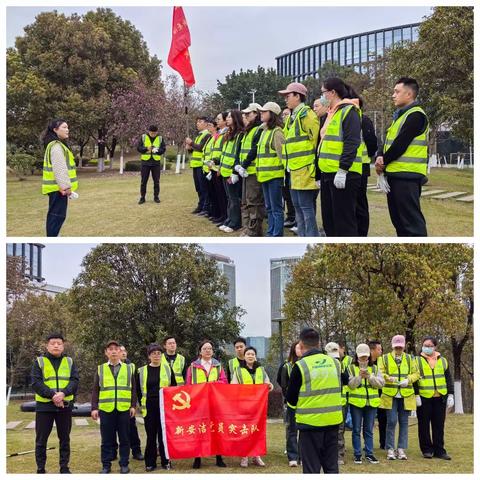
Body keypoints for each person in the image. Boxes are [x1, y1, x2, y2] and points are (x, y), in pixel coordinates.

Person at [375, 77, 429, 236]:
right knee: (399, 223)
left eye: (397, 92)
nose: (393, 95)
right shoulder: (399, 116)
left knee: (411, 224)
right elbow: (387, 142)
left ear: (409, 94)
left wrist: (382, 161)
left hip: (407, 177)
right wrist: (380, 156)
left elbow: (400, 144)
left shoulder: (416, 115)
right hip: (396, 175)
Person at [286, 328, 345, 474]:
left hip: (309, 425)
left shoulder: (300, 366)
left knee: (311, 469)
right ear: (319, 343)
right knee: (332, 467)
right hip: (333, 422)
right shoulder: (335, 363)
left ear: (301, 344)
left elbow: (291, 399)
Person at [317, 78, 363, 236]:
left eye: (323, 92)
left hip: (345, 175)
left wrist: (343, 169)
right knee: (329, 221)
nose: (321, 96)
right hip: (328, 174)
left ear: (332, 93)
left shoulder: (349, 111)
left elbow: (352, 142)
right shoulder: (331, 113)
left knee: (344, 222)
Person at [31, 333, 79, 474]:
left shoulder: (70, 361)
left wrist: (63, 394)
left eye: (59, 343)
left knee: (64, 439)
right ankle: (41, 469)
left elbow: (75, 381)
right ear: (47, 345)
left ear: (63, 346)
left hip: (65, 406)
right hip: (44, 407)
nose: (56, 345)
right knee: (41, 440)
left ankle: (64, 468)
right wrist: (53, 395)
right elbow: (36, 383)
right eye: (53, 343)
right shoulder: (39, 362)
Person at [279, 83, 320, 237]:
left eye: (288, 96)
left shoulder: (306, 114)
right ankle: (303, 236)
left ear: (297, 96)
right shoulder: (292, 116)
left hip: (305, 169)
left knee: (306, 209)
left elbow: (315, 141)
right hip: (294, 170)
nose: (285, 99)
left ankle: (311, 236)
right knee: (297, 208)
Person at [91, 340, 137, 474]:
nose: (113, 351)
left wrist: (133, 405)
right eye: (110, 349)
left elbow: (133, 389)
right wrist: (94, 407)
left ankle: (124, 464)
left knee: (124, 438)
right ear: (106, 353)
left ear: (120, 352)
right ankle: (106, 465)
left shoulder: (129, 368)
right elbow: (95, 390)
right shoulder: (101, 369)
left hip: (124, 409)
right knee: (106, 440)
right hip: (106, 409)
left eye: (116, 349)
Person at [186, 340, 228, 469]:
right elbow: (188, 385)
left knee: (216, 429)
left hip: (215, 403)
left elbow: (224, 382)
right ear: (200, 351)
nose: (208, 351)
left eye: (210, 348)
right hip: (199, 403)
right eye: (205, 349)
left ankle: (219, 457)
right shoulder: (192, 367)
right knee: (199, 429)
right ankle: (197, 457)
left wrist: (213, 385)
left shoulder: (218, 366)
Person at [377, 335, 420, 461]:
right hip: (390, 395)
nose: (398, 349)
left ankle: (401, 448)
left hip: (406, 394)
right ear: (392, 346)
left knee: (404, 422)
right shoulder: (384, 358)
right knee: (391, 421)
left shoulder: (410, 358)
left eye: (400, 347)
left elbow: (416, 373)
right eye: (396, 347)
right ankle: (390, 448)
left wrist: (408, 380)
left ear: (404, 346)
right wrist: (387, 377)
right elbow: (380, 372)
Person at [231, 346, 273, 468]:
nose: (250, 356)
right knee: (245, 431)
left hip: (259, 408)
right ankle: (244, 456)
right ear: (244, 357)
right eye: (248, 354)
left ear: (255, 356)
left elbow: (268, 384)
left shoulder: (261, 370)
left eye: (252, 354)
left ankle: (256, 456)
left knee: (257, 431)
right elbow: (233, 388)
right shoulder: (238, 371)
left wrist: (269, 386)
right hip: (244, 407)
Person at [414, 336, 454, 460]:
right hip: (424, 397)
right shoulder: (417, 360)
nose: (427, 347)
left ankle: (439, 451)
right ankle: (427, 450)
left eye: (430, 345)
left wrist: (451, 394)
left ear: (435, 347)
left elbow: (448, 378)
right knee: (424, 425)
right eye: (425, 345)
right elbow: (414, 380)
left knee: (438, 425)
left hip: (440, 397)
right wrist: (416, 395)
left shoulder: (443, 360)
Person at [136, 344, 172, 471]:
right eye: (153, 353)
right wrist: (142, 404)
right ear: (149, 356)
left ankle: (166, 461)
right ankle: (150, 462)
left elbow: (172, 388)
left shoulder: (167, 370)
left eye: (159, 353)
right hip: (149, 407)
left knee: (164, 436)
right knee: (151, 436)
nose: (156, 355)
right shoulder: (141, 371)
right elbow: (139, 391)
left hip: (164, 407)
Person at [347, 343, 384, 464]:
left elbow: (381, 384)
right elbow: (351, 385)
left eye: (365, 356)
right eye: (361, 356)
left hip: (371, 404)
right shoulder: (351, 368)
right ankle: (357, 454)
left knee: (369, 430)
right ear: (357, 356)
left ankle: (369, 453)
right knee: (356, 429)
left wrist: (370, 377)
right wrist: (359, 377)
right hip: (356, 403)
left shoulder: (375, 368)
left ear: (369, 356)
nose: (363, 359)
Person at [42, 119, 78, 237]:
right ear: (55, 130)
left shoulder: (55, 145)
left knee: (56, 216)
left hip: (57, 189)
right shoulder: (56, 146)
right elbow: (60, 168)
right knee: (57, 216)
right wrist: (66, 187)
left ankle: (53, 236)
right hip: (59, 189)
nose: (67, 130)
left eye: (67, 127)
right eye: (64, 127)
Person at [256, 102, 286, 237]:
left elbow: (282, 155)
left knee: (276, 208)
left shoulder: (277, 132)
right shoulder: (264, 131)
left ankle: (277, 234)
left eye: (264, 111)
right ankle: (270, 232)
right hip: (264, 175)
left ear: (272, 114)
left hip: (275, 176)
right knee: (269, 208)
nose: (261, 114)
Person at [236, 103, 265, 236]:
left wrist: (244, 165)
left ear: (256, 113)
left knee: (254, 203)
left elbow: (254, 149)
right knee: (245, 203)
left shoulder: (258, 129)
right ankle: (246, 228)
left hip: (253, 172)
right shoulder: (248, 130)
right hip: (246, 172)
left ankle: (254, 231)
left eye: (249, 114)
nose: (246, 116)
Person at [354, 98, 378, 236]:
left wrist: (369, 156)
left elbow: (371, 141)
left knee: (360, 202)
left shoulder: (364, 120)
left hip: (361, 165)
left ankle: (362, 233)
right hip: (350, 166)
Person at [218, 110, 244, 233]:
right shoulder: (229, 133)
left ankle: (235, 223)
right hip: (224, 170)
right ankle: (229, 220)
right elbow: (225, 153)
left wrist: (234, 172)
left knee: (234, 199)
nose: (227, 119)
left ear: (235, 118)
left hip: (232, 172)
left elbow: (237, 154)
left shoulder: (240, 134)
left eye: (229, 117)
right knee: (229, 198)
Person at [277, 342, 302, 467]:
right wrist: (289, 399)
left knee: (304, 431)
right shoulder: (286, 366)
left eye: (302, 347)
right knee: (292, 430)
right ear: (293, 350)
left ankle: (303, 456)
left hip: (306, 403)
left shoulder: (307, 365)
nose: (300, 349)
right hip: (292, 403)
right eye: (298, 347)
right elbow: (283, 384)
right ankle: (293, 456)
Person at [116, 345, 143, 461]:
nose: (123, 353)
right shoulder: (109, 367)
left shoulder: (131, 366)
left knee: (132, 428)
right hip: (113, 403)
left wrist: (134, 403)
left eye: (124, 350)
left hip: (127, 404)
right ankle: (113, 452)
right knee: (113, 429)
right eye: (120, 351)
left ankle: (136, 451)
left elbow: (135, 387)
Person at [325, 342, 349, 465]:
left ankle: (339, 455)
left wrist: (340, 369)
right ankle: (328, 454)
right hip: (326, 403)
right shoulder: (322, 367)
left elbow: (346, 380)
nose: (335, 360)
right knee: (327, 431)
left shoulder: (341, 365)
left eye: (336, 358)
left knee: (339, 431)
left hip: (340, 403)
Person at [186, 117, 211, 215]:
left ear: (206, 124)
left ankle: (205, 207)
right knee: (198, 187)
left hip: (201, 165)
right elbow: (194, 150)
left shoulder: (207, 135)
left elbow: (201, 148)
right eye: (197, 122)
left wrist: (191, 143)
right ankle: (200, 205)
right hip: (195, 165)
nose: (197, 124)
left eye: (200, 122)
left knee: (203, 187)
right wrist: (189, 148)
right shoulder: (198, 136)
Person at [136, 125, 166, 204]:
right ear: (148, 131)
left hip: (156, 163)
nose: (153, 134)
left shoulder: (160, 138)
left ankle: (156, 197)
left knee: (156, 181)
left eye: (155, 133)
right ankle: (142, 198)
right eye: (152, 133)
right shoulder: (143, 137)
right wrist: (146, 148)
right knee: (143, 181)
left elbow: (163, 149)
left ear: (157, 132)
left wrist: (157, 150)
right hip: (145, 163)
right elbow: (138, 148)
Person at [209, 112, 229, 226]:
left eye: (219, 119)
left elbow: (224, 152)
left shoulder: (226, 133)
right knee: (218, 194)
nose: (217, 121)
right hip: (214, 166)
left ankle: (225, 216)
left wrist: (219, 166)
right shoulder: (219, 134)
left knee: (223, 195)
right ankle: (221, 215)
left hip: (220, 168)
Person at [369, 340, 387, 450]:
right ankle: (368, 444)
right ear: (372, 350)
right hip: (368, 397)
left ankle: (383, 443)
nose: (381, 351)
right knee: (368, 422)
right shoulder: (364, 361)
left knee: (383, 419)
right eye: (379, 349)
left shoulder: (382, 362)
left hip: (382, 395)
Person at [202, 118, 220, 221]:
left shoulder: (216, 137)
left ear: (215, 127)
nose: (208, 127)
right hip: (207, 167)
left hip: (214, 167)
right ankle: (212, 212)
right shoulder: (209, 138)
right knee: (210, 192)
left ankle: (216, 213)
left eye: (210, 125)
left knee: (215, 193)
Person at [281, 107, 296, 231]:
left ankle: (294, 219)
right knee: (286, 195)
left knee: (293, 195)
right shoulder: (284, 128)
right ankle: (290, 216)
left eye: (286, 114)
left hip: (294, 165)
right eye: (283, 114)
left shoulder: (293, 126)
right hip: (285, 166)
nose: (284, 116)